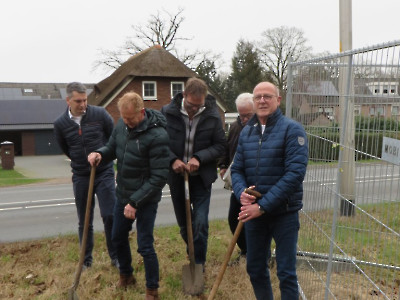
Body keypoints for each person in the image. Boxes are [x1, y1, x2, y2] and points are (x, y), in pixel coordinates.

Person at [88, 91, 169, 299]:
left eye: (130, 118)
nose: (126, 122)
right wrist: (100, 153)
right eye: (123, 118)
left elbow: (159, 177)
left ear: (141, 112)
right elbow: (112, 148)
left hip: (146, 198)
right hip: (123, 193)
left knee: (145, 245)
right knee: (117, 237)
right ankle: (126, 275)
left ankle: (152, 289)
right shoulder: (122, 127)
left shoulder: (158, 135)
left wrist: (135, 202)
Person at [231, 81, 308, 299]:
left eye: (267, 96)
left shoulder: (292, 130)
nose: (262, 100)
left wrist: (262, 206)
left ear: (278, 100)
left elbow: (294, 174)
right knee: (255, 268)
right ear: (253, 102)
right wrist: (241, 193)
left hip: (284, 213)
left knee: (286, 272)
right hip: (255, 214)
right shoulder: (247, 132)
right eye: (258, 97)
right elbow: (236, 169)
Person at [161, 77, 226, 269]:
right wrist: (173, 160)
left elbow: (220, 146)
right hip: (176, 177)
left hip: (201, 178)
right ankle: (193, 252)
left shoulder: (212, 116)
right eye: (191, 105)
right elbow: (159, 143)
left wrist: (199, 157)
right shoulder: (166, 113)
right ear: (184, 96)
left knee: (200, 223)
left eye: (199, 106)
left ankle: (198, 264)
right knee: (184, 224)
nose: (195, 109)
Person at [54, 82, 118, 269]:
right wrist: (81, 162)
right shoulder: (60, 124)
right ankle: (86, 261)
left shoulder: (100, 114)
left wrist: (101, 155)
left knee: (110, 215)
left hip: (104, 172)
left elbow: (112, 140)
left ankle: (116, 257)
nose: (83, 105)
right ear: (68, 100)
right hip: (81, 175)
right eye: (78, 101)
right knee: (85, 219)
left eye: (85, 100)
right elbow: (67, 149)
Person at [218, 92, 254, 264]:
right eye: (242, 115)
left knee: (252, 222)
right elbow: (227, 146)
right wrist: (223, 165)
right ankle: (246, 251)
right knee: (234, 219)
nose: (244, 119)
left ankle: (259, 256)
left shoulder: (261, 128)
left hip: (254, 183)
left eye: (248, 115)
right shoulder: (235, 126)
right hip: (237, 182)